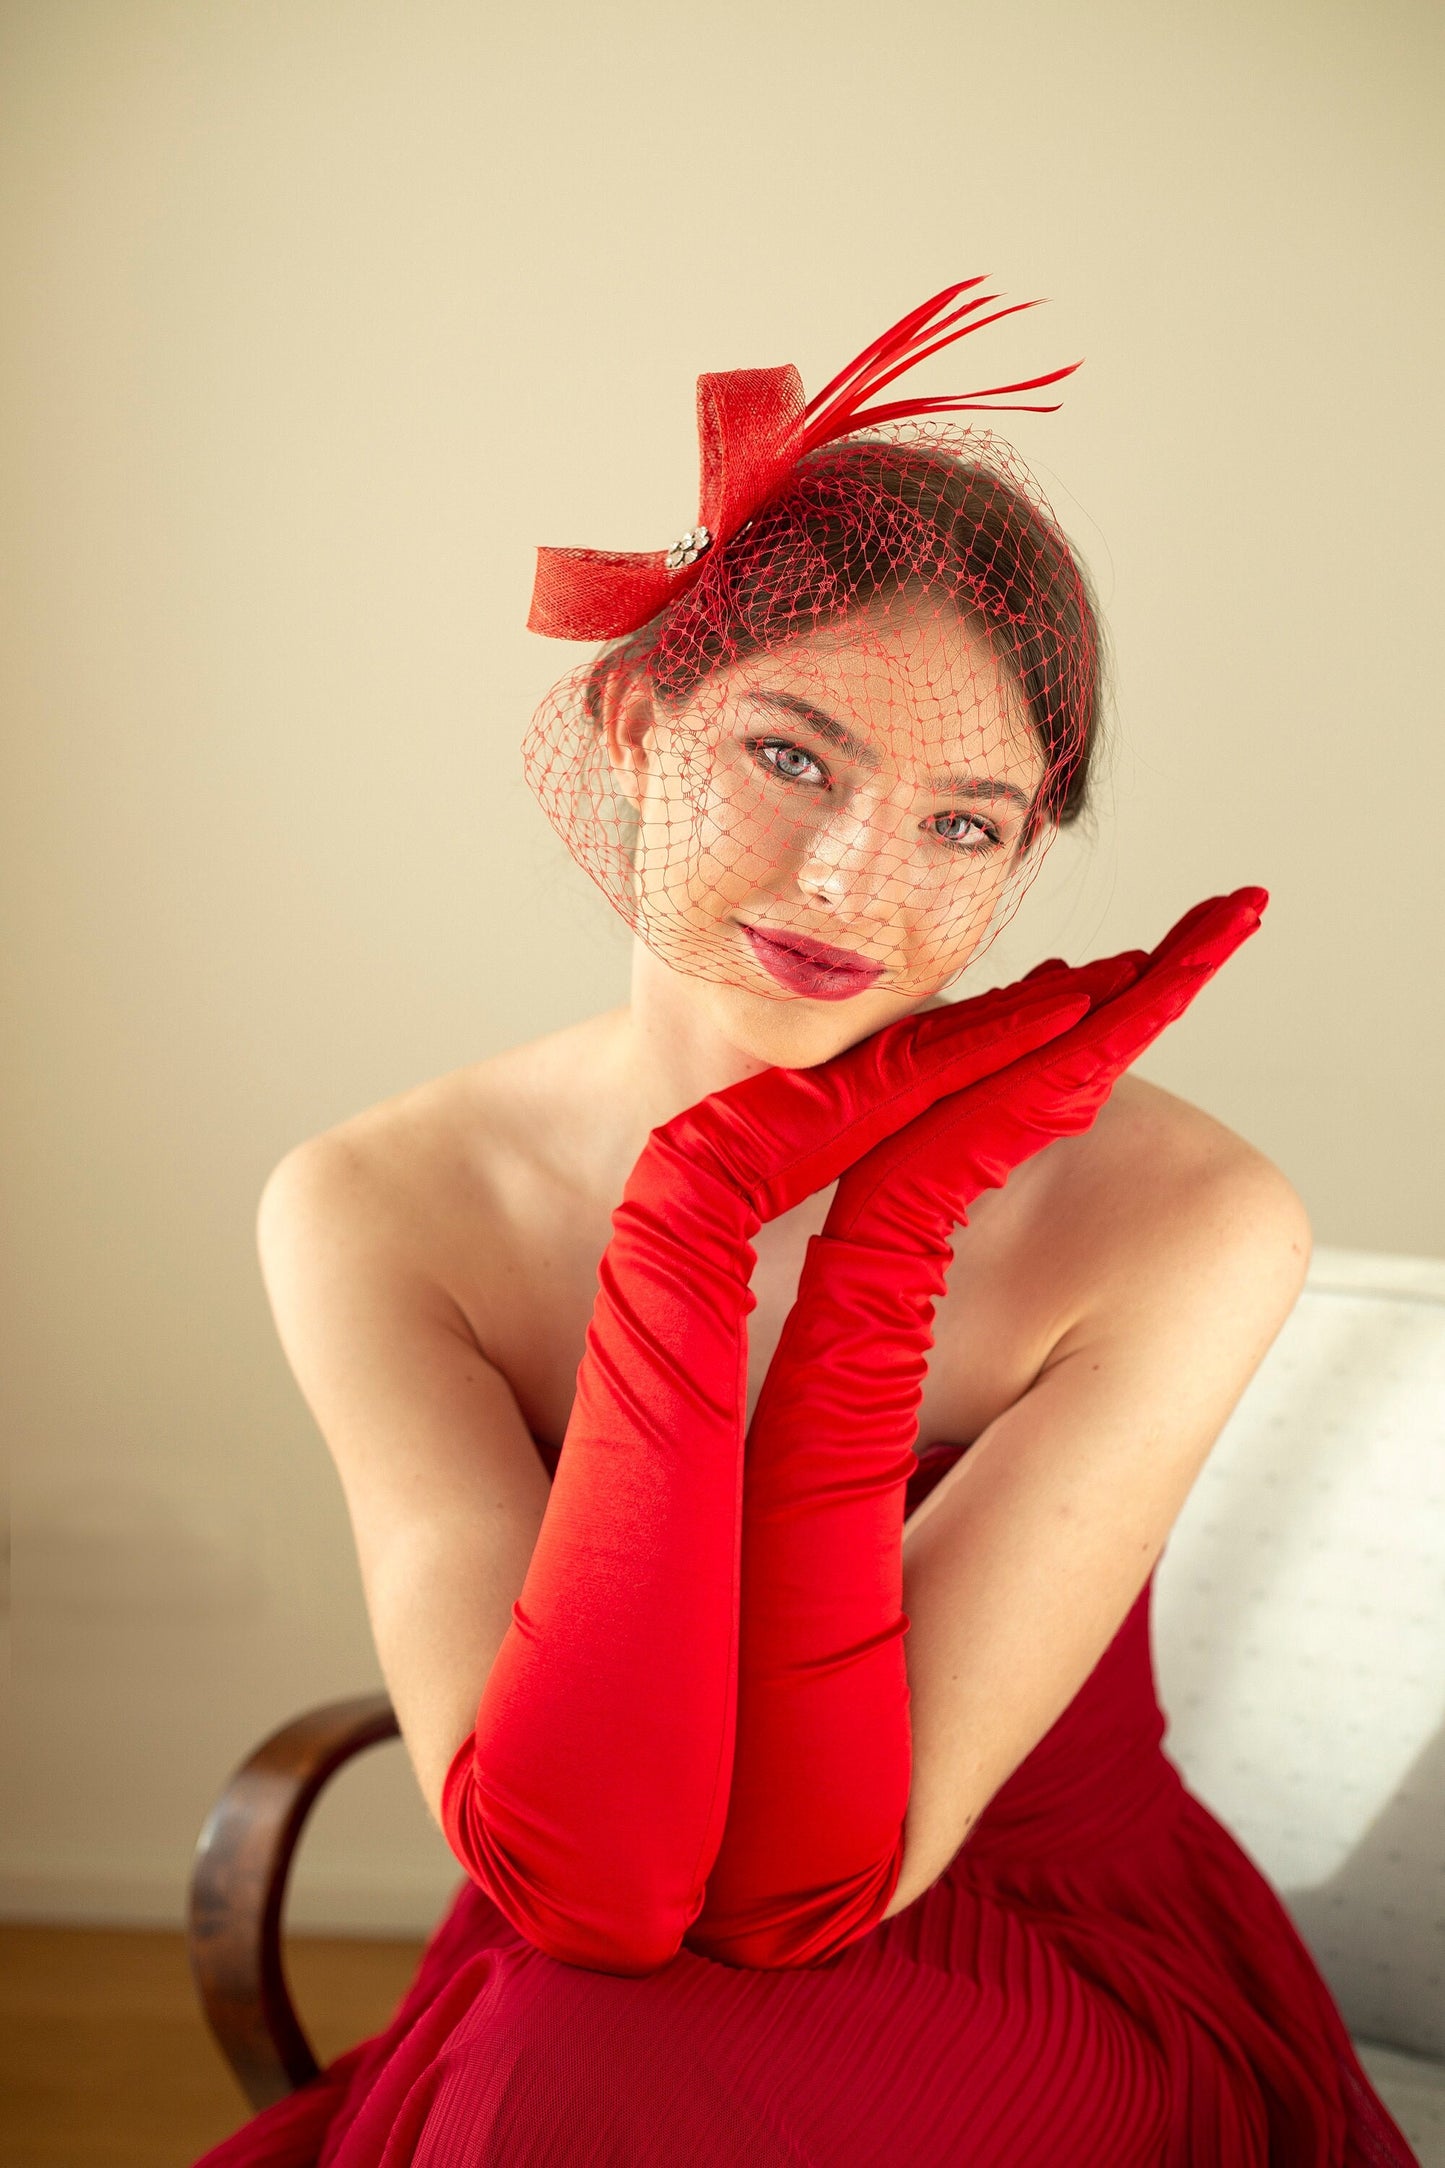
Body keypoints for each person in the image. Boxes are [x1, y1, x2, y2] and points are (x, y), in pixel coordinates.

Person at [194, 287, 1419, 2165]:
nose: (852, 877)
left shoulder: (1186, 1214)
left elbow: (801, 1891)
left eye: (963, 824)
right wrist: (690, 1221)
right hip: (582, 1937)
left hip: (1035, 1945)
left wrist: (884, 1232)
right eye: (791, 757)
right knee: (579, 2056)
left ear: (1024, 861)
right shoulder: (381, 1204)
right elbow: (594, 1881)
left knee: (598, 2085)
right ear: (627, 717)